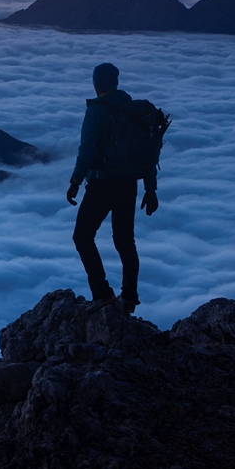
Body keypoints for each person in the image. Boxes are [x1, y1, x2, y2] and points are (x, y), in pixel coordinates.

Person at [66, 62, 158, 312]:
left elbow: (87, 151)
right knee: (125, 240)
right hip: (129, 185)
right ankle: (129, 297)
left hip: (101, 184)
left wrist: (75, 181)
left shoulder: (97, 111)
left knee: (82, 237)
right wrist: (151, 189)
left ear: (96, 84)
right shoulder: (134, 109)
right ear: (116, 83)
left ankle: (102, 294)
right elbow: (148, 154)